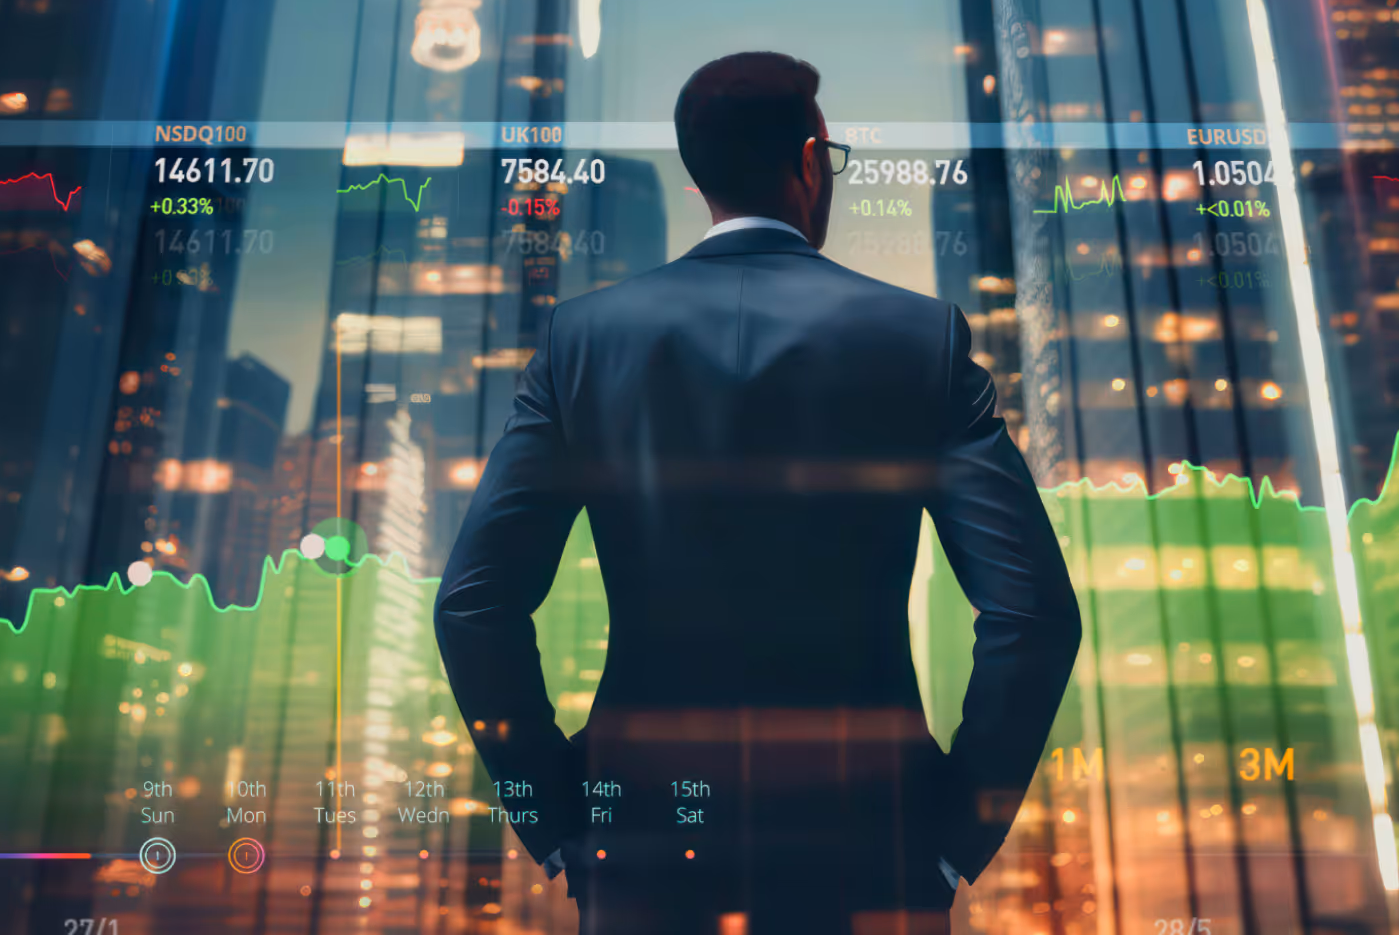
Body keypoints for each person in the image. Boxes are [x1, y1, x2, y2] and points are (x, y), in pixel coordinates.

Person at [434, 51, 1081, 933]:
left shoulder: (585, 340)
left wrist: (552, 819)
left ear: (698, 176)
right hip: (871, 843)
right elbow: (1034, 613)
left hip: (645, 843)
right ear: (812, 160)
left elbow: (474, 607)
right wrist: (955, 832)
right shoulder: (917, 337)